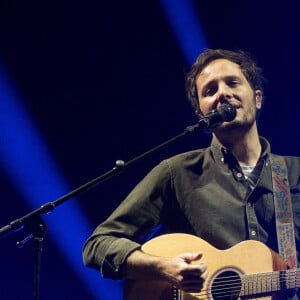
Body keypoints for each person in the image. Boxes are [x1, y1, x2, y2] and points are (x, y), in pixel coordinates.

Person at [82, 49, 300, 298]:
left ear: (258, 98)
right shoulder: (177, 173)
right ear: (201, 115)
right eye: (210, 91)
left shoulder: (295, 174)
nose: (223, 94)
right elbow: (98, 244)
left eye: (232, 83)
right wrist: (162, 268)